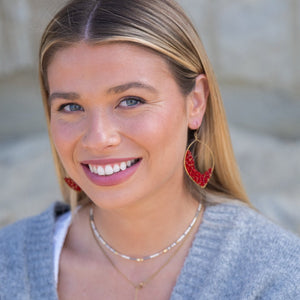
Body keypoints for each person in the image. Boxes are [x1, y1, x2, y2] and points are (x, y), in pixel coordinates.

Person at [0, 0, 299, 299]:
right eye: (71, 106)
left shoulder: (274, 274)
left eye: (131, 101)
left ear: (195, 101)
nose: (98, 138)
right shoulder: (8, 264)